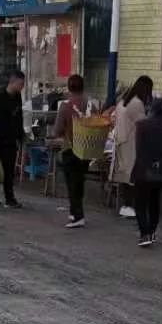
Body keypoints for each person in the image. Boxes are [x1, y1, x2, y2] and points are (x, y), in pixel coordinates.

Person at [131, 98, 162, 247]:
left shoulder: (141, 126)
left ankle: (144, 234)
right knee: (154, 202)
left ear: (151, 109)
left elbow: (139, 149)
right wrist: (161, 162)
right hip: (160, 173)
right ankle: (152, 232)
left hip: (143, 170)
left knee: (140, 203)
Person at [53, 74, 95, 229]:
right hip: (87, 149)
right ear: (83, 86)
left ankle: (78, 216)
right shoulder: (91, 106)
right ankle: (74, 211)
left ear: (69, 88)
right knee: (80, 181)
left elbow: (57, 130)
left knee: (72, 184)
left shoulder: (65, 106)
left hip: (70, 149)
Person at [112, 76, 153, 221]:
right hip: (131, 142)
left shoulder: (123, 101)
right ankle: (130, 207)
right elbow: (143, 126)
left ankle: (126, 206)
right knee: (132, 176)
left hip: (120, 141)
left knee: (125, 175)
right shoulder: (136, 104)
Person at [0, 69, 25, 208]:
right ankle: (9, 198)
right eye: (20, 84)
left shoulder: (18, 96)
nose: (22, 87)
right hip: (1, 138)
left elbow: (19, 116)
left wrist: (20, 136)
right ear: (12, 82)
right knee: (4, 169)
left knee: (6, 168)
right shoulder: (0, 97)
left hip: (12, 137)